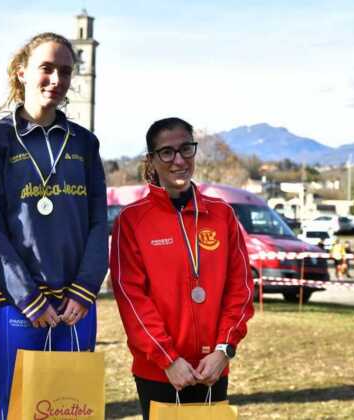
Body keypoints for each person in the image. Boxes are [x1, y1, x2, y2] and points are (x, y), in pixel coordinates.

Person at [0, 32, 108, 420]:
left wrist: (85, 289)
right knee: (15, 410)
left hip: (75, 305)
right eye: (46, 68)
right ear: (22, 72)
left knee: (70, 411)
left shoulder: (84, 143)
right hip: (19, 306)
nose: (56, 79)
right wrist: (27, 296)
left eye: (65, 71)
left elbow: (98, 222)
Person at [110, 117, 254, 419]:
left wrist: (224, 350)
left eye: (186, 149)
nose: (179, 160)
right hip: (160, 371)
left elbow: (240, 289)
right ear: (151, 160)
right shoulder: (132, 220)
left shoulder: (222, 215)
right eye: (167, 152)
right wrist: (167, 358)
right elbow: (131, 299)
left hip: (212, 368)